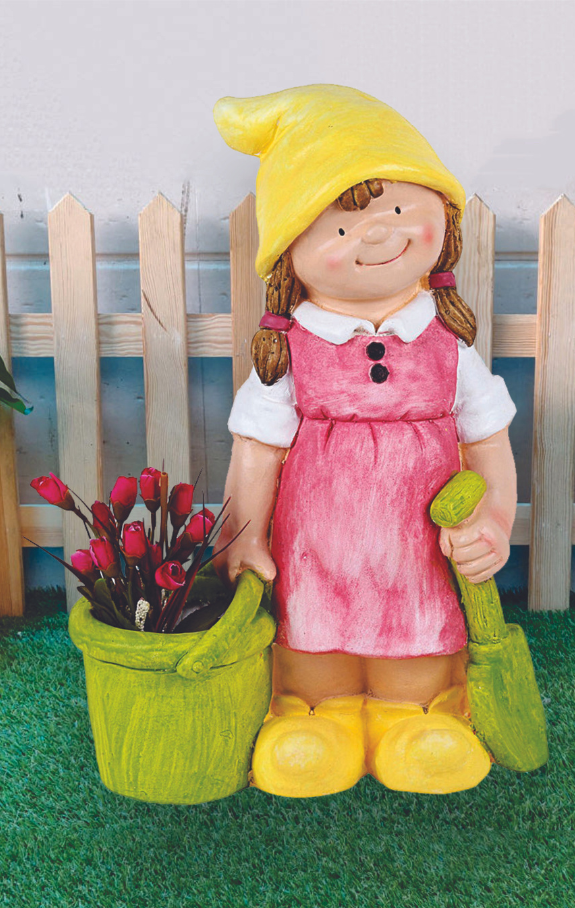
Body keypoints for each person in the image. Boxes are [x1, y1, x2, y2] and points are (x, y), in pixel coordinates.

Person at [212, 85, 518, 797]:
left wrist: (495, 521)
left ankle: (413, 717)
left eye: (397, 210)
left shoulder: (447, 348)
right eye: (340, 228)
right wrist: (244, 536)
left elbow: (490, 441)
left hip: (417, 550)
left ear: (442, 214)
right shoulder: (291, 355)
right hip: (316, 549)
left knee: (414, 643)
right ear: (291, 254)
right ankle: (314, 716)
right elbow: (255, 452)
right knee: (315, 645)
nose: (377, 235)